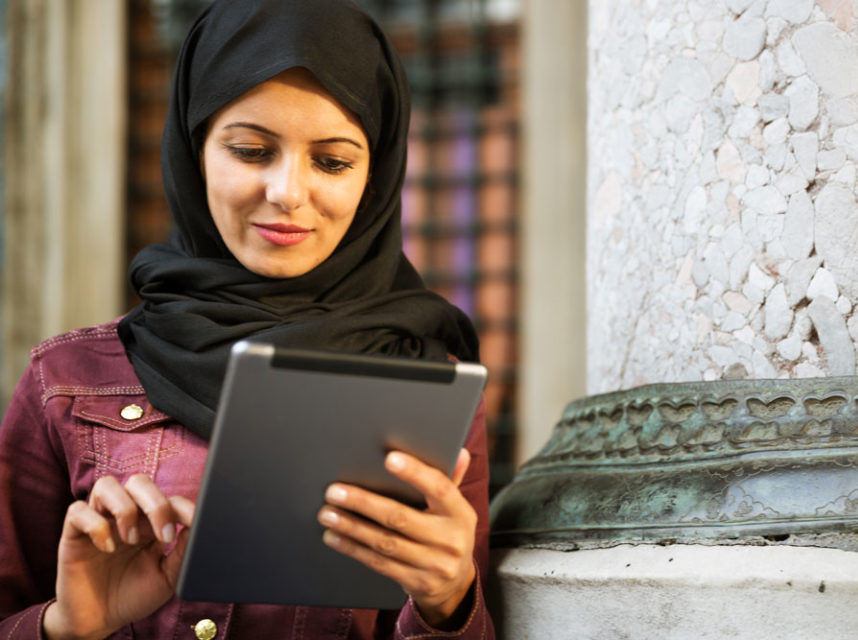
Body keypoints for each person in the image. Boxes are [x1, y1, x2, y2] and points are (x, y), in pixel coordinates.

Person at [0, 0, 495, 638]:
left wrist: (448, 600)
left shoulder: (428, 385)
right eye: (252, 150)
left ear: (375, 176)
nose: (288, 192)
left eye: (333, 161)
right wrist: (64, 627)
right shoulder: (68, 377)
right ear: (194, 151)